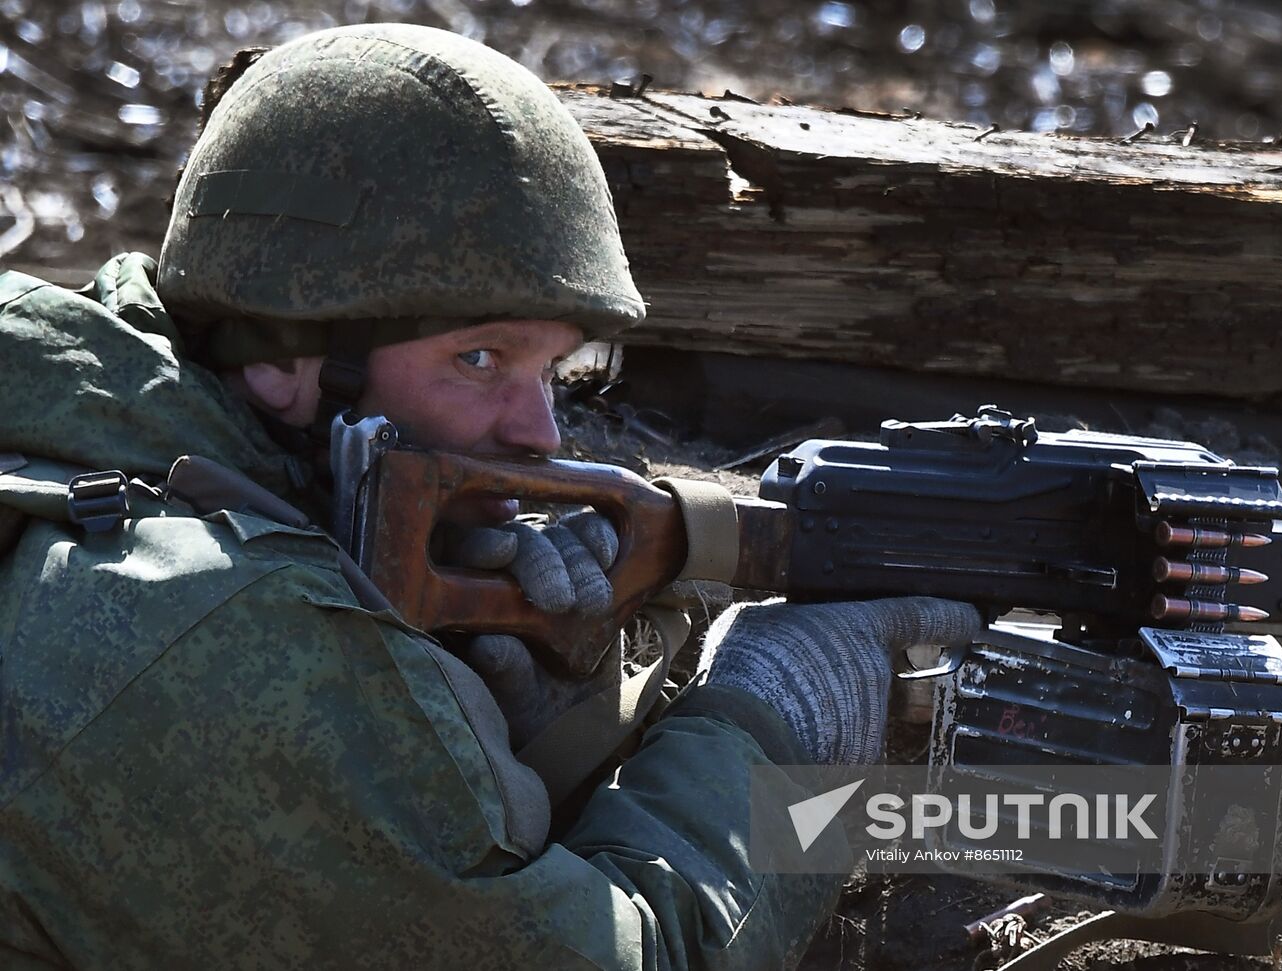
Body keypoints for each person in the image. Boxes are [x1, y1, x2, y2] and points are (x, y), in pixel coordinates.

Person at [0, 23, 979, 969]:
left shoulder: (97, 446)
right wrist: (776, 722)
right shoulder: (212, 633)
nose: (541, 433)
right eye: (477, 357)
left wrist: (543, 718)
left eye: (554, 368)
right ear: (284, 354)